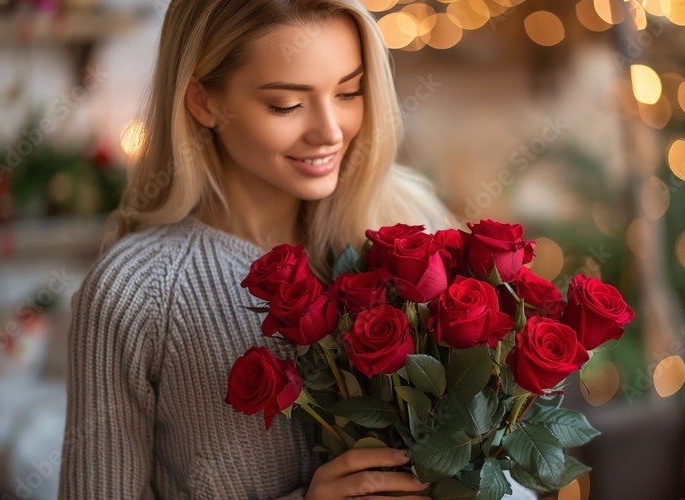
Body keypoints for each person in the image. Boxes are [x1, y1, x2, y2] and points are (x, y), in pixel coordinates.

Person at [57, 0, 457, 498]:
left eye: (349, 92)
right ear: (203, 101)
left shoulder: (410, 232)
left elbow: (504, 472)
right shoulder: (135, 291)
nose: (331, 131)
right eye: (286, 104)